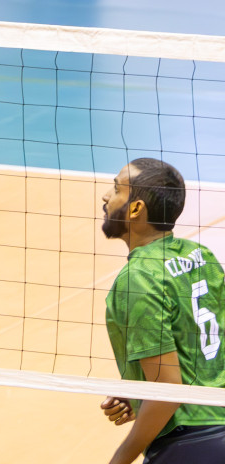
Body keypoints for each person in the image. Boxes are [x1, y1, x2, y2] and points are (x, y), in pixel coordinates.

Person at [98, 157, 225, 464]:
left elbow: (167, 389)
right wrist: (139, 392)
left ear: (136, 209)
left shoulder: (138, 279)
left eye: (116, 189)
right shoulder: (200, 254)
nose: (105, 196)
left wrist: (119, 460)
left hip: (192, 444)